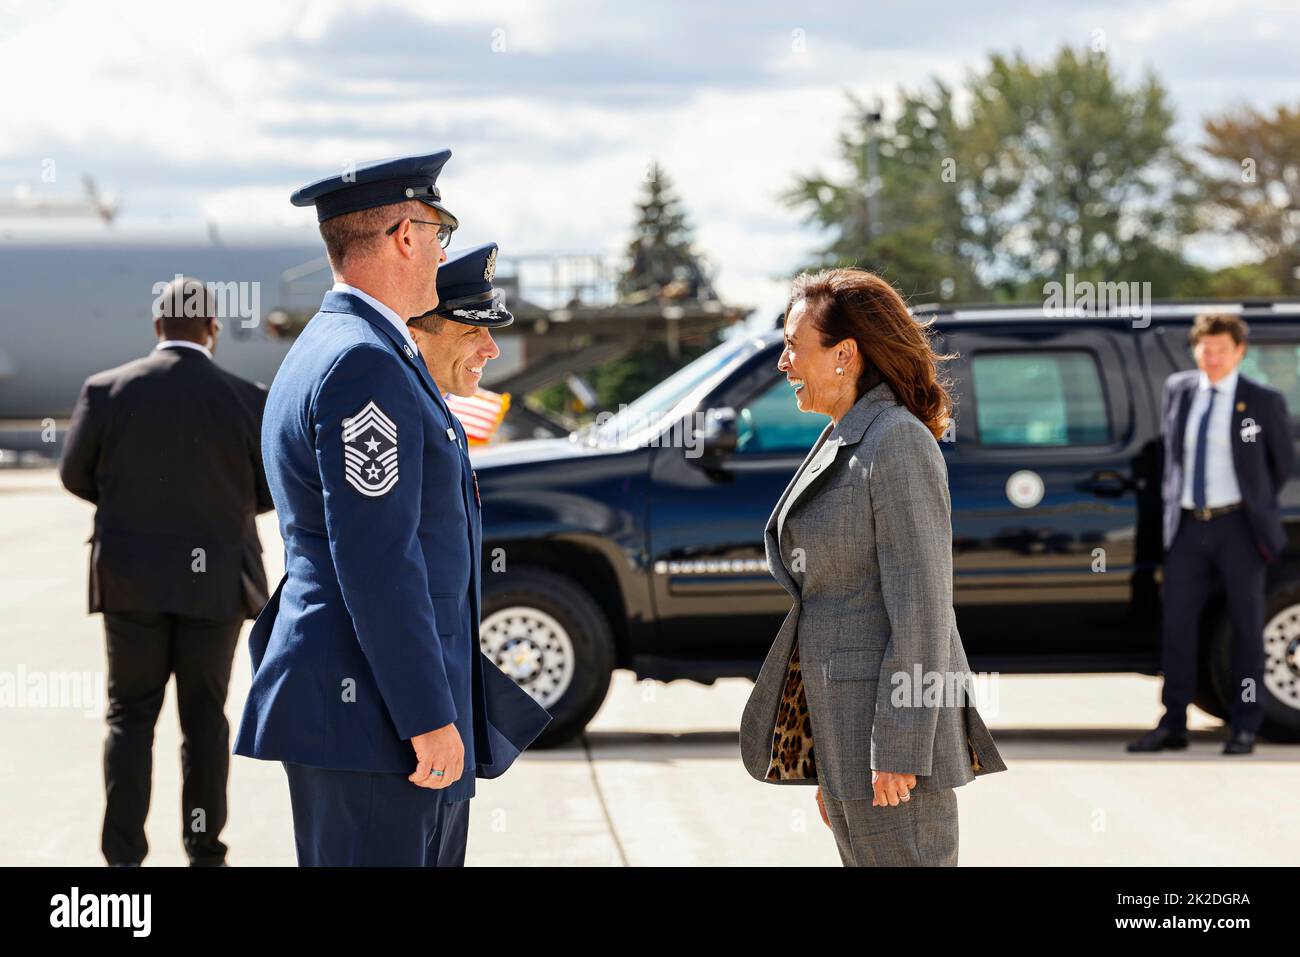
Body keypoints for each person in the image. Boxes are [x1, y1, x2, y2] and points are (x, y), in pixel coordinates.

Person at [232, 152, 549, 867]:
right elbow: (378, 561)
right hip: (373, 716)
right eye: (440, 232)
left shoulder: (349, 347)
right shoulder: (363, 362)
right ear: (407, 234)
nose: (442, 252)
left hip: (372, 709)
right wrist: (427, 716)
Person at [738, 268, 1006, 866]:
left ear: (845, 354)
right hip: (844, 728)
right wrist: (828, 759)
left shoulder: (898, 442)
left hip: (887, 738)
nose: (783, 363)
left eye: (792, 346)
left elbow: (924, 608)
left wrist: (902, 747)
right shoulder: (847, 434)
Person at [59, 276, 272, 866]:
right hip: (216, 584)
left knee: (130, 717)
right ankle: (205, 851)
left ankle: (123, 859)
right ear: (213, 330)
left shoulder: (106, 390)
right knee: (205, 721)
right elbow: (266, 489)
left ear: (157, 327)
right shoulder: (246, 397)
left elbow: (75, 476)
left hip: (130, 580)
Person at [1129, 313, 1293, 756]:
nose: (1213, 358)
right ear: (1195, 349)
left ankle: (1244, 724)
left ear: (1240, 352)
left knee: (1244, 629)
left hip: (1238, 526)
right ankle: (1173, 723)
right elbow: (1173, 459)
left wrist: (1252, 504)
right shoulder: (1179, 390)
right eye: (1206, 349)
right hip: (1187, 526)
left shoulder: (1261, 400)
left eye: (1222, 350)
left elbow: (1280, 465)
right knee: (1177, 627)